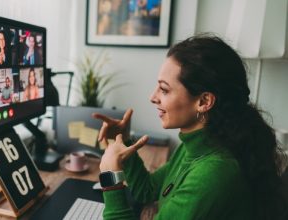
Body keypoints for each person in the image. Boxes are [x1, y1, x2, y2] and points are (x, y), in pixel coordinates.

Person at [93, 35, 287, 219]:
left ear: (204, 101)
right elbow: (148, 190)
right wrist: (125, 139)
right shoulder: (196, 145)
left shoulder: (214, 174)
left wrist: (111, 177)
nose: (153, 97)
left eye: (164, 89)